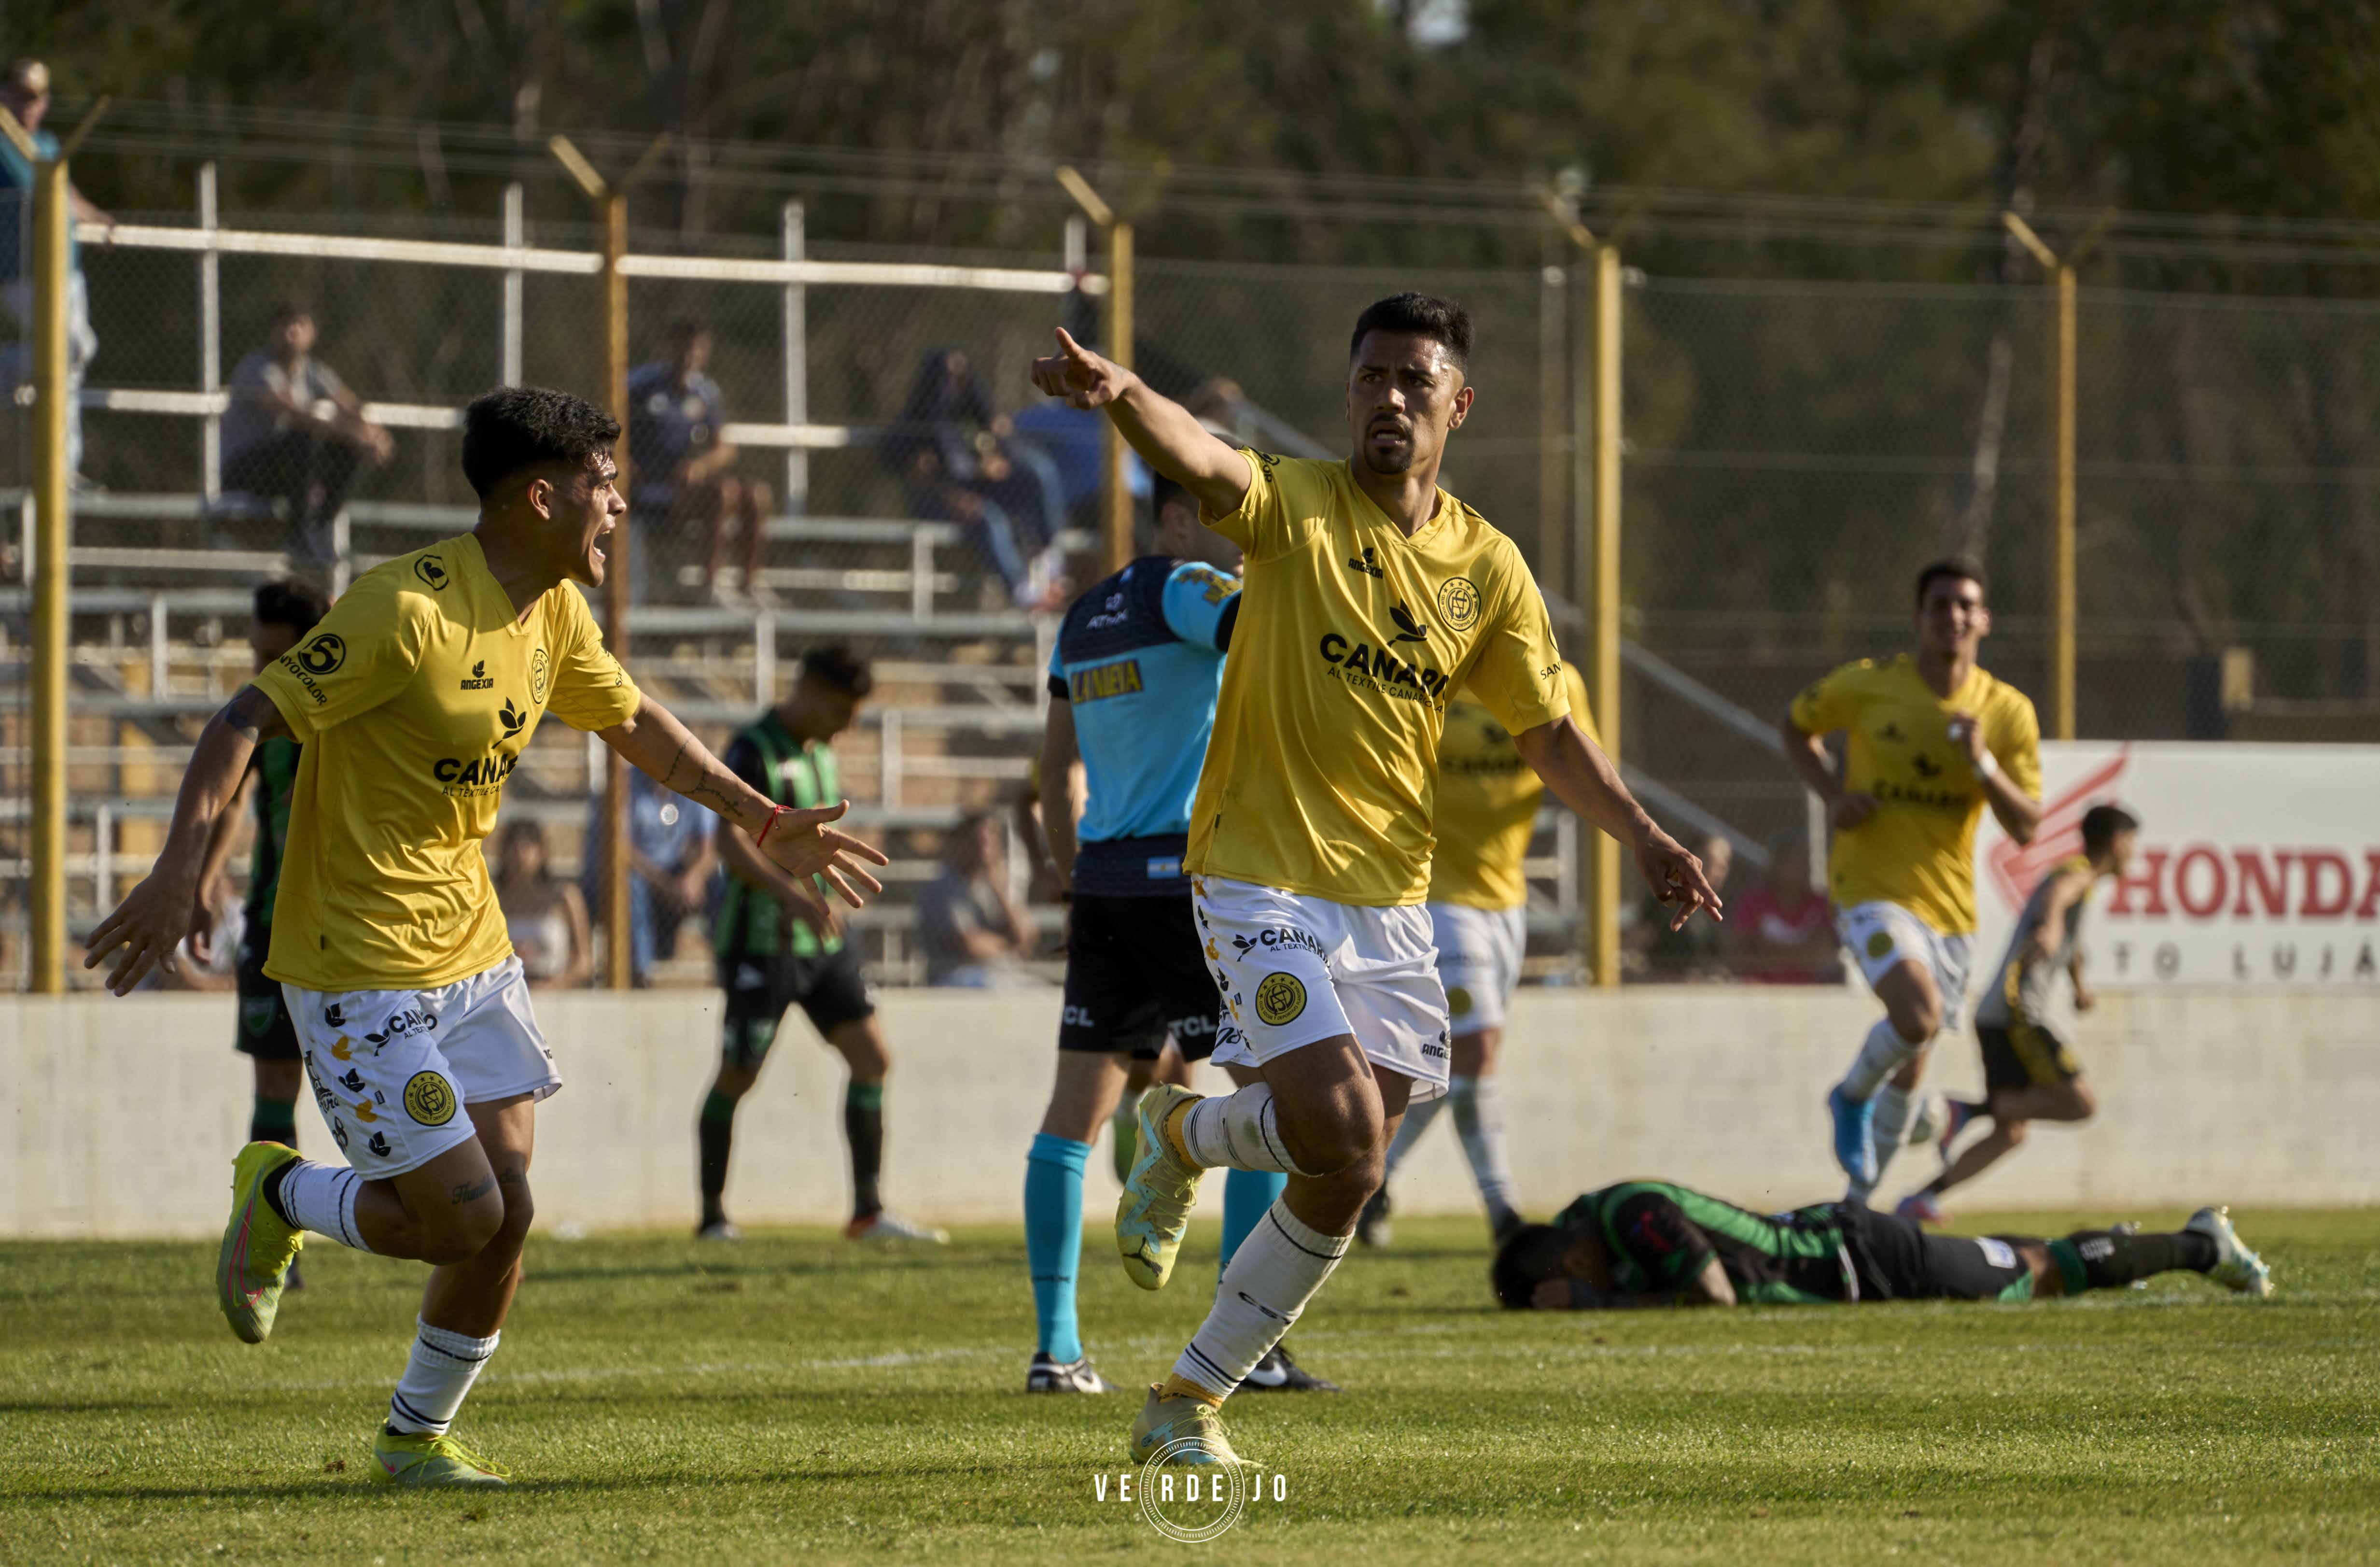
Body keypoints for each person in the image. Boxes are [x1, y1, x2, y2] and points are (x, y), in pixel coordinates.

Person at [80, 385, 887, 1488]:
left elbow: (636, 723)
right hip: (358, 965)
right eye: (605, 488)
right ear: (543, 496)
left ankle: (413, 1440)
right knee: (460, 1215)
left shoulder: (554, 612)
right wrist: (180, 871)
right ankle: (278, 1196)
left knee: (509, 1207)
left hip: (475, 950)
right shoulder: (401, 608)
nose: (620, 509)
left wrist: (757, 814)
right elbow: (243, 718)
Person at [1028, 292, 1721, 1467]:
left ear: (1457, 403)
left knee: (1345, 1165)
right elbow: (1198, 453)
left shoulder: (1486, 568)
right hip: (1255, 879)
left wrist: (1643, 832)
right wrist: (1123, 397)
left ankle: (1183, 1364)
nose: (1388, 398)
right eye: (1370, 378)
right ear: (1347, 394)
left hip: (1390, 898)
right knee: (1339, 1120)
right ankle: (1182, 1178)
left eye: (1413, 380)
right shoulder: (1292, 506)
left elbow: (1547, 730)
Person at [1023, 479, 1334, 1397]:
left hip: (1106, 884)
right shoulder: (1186, 586)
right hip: (1191, 884)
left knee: (1070, 1121)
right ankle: (1253, 1347)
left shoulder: (1082, 617)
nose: (1238, 538)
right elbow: (1260, 634)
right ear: (1173, 517)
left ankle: (1057, 1350)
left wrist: (1070, 870)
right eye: (1221, 516)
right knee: (1281, 1104)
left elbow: (1054, 768)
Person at [1780, 558, 2042, 1203]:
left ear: (1982, 620)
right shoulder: (1870, 687)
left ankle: (1855, 1207)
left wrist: (1980, 761)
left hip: (1949, 913)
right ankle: (1848, 1096)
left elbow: (2028, 825)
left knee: (1914, 1061)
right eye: (1940, 605)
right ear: (1917, 619)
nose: (1952, 616)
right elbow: (1794, 726)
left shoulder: (2005, 712)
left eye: (1965, 605)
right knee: (1916, 1014)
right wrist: (1831, 796)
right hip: (1869, 887)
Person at [701, 643, 946, 1246]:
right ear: (807, 688)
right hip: (762, 940)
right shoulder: (752, 749)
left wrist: (821, 899)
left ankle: (867, 1212)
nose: (849, 723)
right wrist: (790, 894)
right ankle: (712, 1218)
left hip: (824, 939)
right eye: (841, 707)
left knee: (873, 1058)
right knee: (739, 1073)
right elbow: (729, 843)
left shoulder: (823, 754)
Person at [1362, 659, 1595, 1250]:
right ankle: (1504, 1214)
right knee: (1477, 1049)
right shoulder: (1420, 674)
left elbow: (1573, 760)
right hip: (1435, 893)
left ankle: (1367, 1180)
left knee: (1453, 1067)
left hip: (1506, 901)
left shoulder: (1555, 680)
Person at [185, 579, 333, 1290]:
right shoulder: (267, 713)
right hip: (273, 928)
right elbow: (234, 797)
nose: (264, 667)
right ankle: (275, 1237)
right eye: (258, 652)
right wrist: (203, 882)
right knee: (275, 1082)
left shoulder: (351, 713)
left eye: (278, 654)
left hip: (349, 934)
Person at [1492, 1180, 2270, 1309]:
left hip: (1863, 1258)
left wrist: (1603, 1303)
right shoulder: (1595, 1219)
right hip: (1846, 1247)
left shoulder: (1630, 1217)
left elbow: (1713, 1296)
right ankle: (2121, 1250)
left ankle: (2204, 1246)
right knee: (2015, 1256)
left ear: (1569, 1263)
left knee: (2038, 1277)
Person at [1901, 804, 2141, 1223]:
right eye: (2132, 846)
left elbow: (2073, 942)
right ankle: (1967, 1112)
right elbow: (2057, 895)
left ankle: (1921, 1198)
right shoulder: (2078, 872)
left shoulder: (2084, 884)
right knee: (2081, 1103)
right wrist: (2049, 925)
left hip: (2000, 1015)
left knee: (2011, 1131)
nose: (2133, 856)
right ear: (2118, 843)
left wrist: (2078, 986)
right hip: (2017, 1014)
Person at [0, 60, 107, 482]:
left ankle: (65, 467)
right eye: (20, 95)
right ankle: (7, 368)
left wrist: (100, 221)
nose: (29, 105)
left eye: (37, 97)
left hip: (67, 269)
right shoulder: (4, 144)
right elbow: (32, 191)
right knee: (70, 347)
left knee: (71, 366)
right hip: (21, 272)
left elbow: (68, 195)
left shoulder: (46, 144)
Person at [221, 303, 396, 544]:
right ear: (273, 331)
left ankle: (319, 528)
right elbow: (295, 415)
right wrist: (354, 436)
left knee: (345, 451)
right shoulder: (257, 367)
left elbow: (353, 406)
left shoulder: (313, 371)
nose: (291, 332)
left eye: (299, 324)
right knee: (305, 440)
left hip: (287, 469)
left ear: (312, 333)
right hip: (245, 468)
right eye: (284, 324)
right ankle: (300, 538)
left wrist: (376, 436)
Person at [626, 320, 771, 606]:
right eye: (682, 346)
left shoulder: (705, 392)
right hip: (649, 490)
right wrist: (625, 465)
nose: (689, 355)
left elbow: (725, 449)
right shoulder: (640, 385)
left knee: (757, 495)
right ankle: (710, 585)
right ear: (668, 346)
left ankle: (750, 585)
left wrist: (700, 467)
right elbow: (608, 431)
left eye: (697, 348)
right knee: (722, 494)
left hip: (688, 486)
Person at [585, 763, 719, 987]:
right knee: (630, 886)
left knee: (718, 884)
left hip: (679, 878)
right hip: (641, 875)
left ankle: (726, 967)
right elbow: (622, 850)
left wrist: (693, 878)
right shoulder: (624, 784)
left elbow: (711, 844)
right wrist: (666, 885)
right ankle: (641, 974)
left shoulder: (694, 782)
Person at [916, 812, 1040, 985]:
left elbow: (1026, 935)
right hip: (953, 976)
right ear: (959, 845)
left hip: (999, 973)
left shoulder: (997, 882)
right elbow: (970, 945)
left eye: (992, 841)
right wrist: (1011, 948)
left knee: (1039, 993)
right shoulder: (944, 886)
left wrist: (998, 885)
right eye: (978, 841)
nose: (985, 849)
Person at [1726, 839, 1842, 984]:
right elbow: (1740, 955)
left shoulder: (1820, 903)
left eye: (1807, 862)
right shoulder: (1753, 902)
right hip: (1760, 989)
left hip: (1812, 990)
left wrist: (1766, 951)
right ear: (1777, 865)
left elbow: (1823, 953)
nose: (1805, 868)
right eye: (1796, 862)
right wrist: (1803, 952)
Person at [492, 820, 590, 989]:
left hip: (555, 993)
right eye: (512, 847)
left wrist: (553, 986)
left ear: (542, 852)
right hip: (504, 992)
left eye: (527, 847)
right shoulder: (492, 900)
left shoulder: (564, 897)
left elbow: (585, 962)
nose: (519, 855)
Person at [1628, 833, 1736, 981]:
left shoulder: (1718, 906)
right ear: (1691, 860)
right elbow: (1633, 947)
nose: (1717, 871)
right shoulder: (1668, 895)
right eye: (1710, 861)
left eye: (1723, 865)